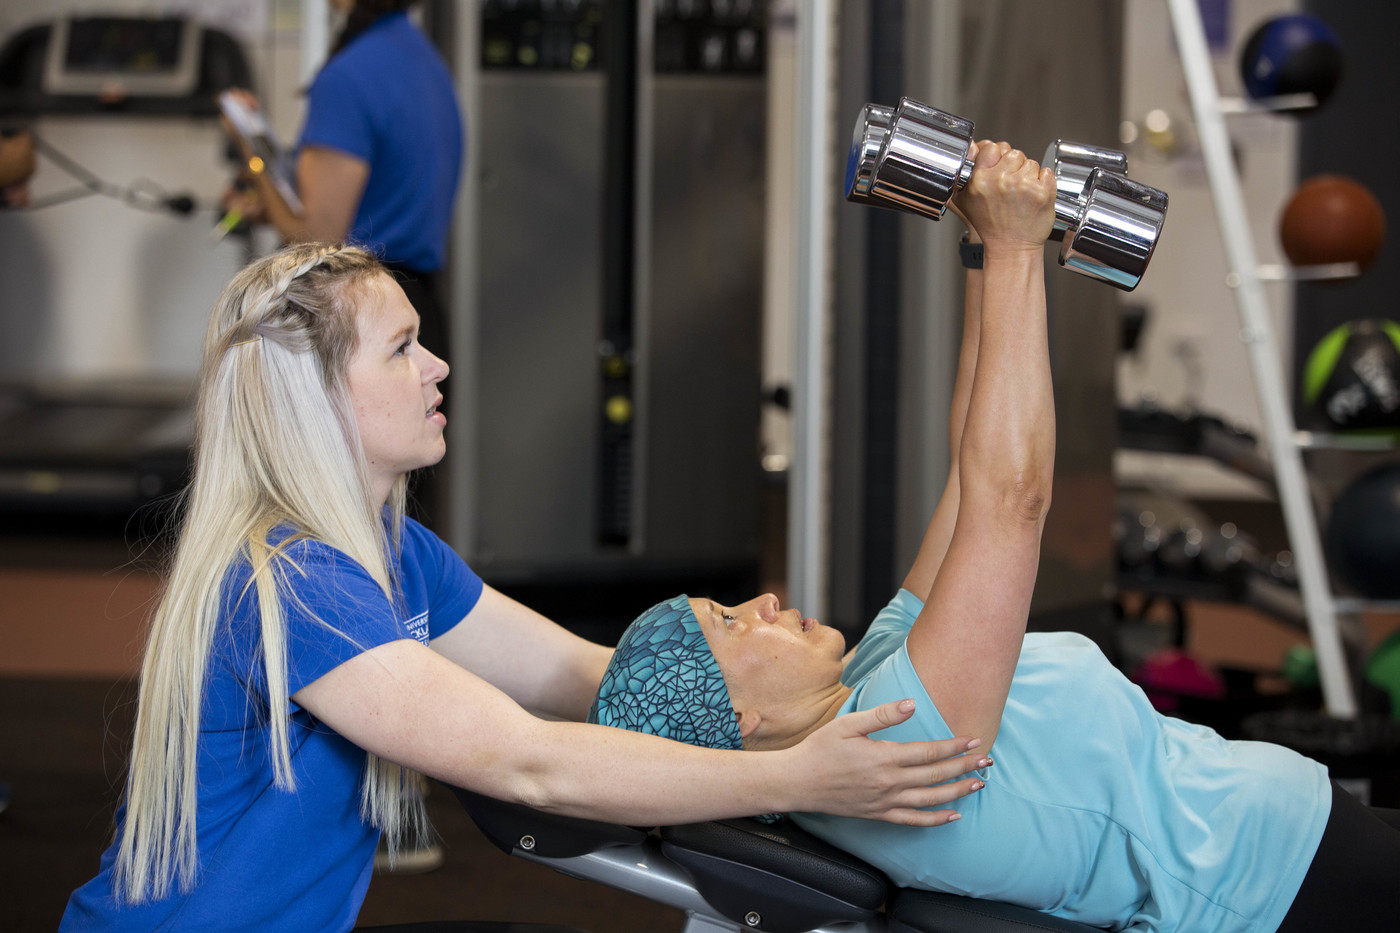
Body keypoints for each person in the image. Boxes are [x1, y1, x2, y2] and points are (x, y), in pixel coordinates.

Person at [589, 141, 1400, 933]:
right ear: (743, 722)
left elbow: (969, 479)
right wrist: (1019, 248)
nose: (763, 599)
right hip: (1279, 885)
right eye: (730, 624)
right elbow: (1013, 501)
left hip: (1287, 837)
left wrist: (983, 250)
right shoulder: (899, 746)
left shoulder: (875, 686)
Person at [57, 242, 988, 931]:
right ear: (320, 396)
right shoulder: (293, 581)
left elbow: (591, 678)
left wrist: (818, 691)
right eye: (402, 349)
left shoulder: (395, 553)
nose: (438, 367)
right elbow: (526, 760)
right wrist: (793, 771)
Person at [222, 0, 462, 523]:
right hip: (413, 307)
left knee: (354, 523)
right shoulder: (421, 61)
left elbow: (316, 234)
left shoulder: (350, 75)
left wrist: (251, 147)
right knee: (408, 522)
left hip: (362, 319)